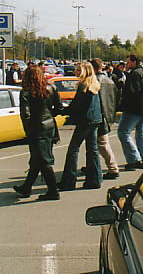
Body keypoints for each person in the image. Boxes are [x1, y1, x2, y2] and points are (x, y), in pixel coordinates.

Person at [13, 65, 63, 200]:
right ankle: (26, 187)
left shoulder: (26, 92)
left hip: (36, 128)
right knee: (37, 159)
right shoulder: (51, 87)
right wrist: (48, 116)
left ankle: (53, 191)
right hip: (50, 126)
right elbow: (59, 107)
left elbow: (25, 114)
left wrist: (28, 130)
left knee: (43, 160)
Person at [58, 62, 104, 190]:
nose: (75, 72)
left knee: (73, 149)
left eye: (78, 69)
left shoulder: (83, 85)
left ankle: (69, 181)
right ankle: (95, 179)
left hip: (86, 121)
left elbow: (77, 106)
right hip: (95, 119)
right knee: (92, 150)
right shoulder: (94, 85)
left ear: (84, 71)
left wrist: (63, 111)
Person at [118, 54, 143, 170]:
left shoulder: (134, 74)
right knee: (142, 135)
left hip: (134, 109)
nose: (126, 64)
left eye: (128, 62)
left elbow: (131, 93)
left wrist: (122, 105)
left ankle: (134, 159)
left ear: (133, 62)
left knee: (123, 132)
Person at [91, 58, 121, 180]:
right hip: (109, 115)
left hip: (100, 116)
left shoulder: (95, 81)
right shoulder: (110, 81)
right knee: (97, 143)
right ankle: (93, 165)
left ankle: (113, 168)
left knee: (101, 144)